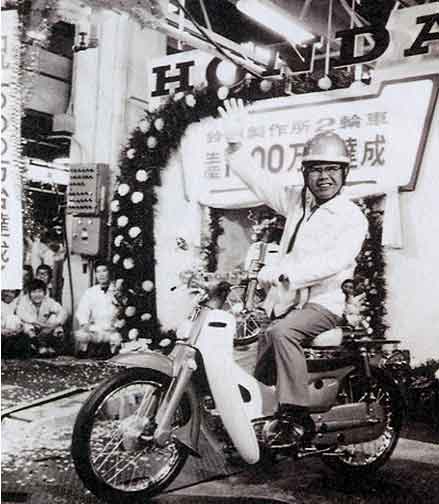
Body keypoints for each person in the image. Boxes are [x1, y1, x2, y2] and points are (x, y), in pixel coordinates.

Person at [219, 99, 369, 446]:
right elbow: (260, 182)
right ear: (306, 173)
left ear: (344, 174)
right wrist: (235, 145)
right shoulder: (298, 202)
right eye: (316, 169)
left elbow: (335, 261)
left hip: (323, 305)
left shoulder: (350, 216)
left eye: (333, 169)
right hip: (287, 301)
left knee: (283, 333)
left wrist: (289, 275)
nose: (324, 176)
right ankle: (258, 412)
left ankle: (295, 415)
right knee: (260, 339)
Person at [74, 260, 121, 359]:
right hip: (95, 328)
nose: (101, 275)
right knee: (88, 338)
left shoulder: (117, 291)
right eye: (98, 272)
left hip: (113, 328)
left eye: (104, 271)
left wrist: (116, 324)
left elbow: (122, 311)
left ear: (110, 273)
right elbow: (82, 311)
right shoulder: (90, 292)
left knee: (114, 344)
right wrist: (84, 323)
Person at [15, 279, 68, 357]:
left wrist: (54, 325)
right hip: (31, 330)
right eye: (33, 292)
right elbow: (21, 314)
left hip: (46, 330)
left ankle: (51, 347)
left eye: (40, 291)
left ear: (44, 292)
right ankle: (38, 346)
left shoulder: (48, 301)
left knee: (54, 318)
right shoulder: (24, 301)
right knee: (26, 324)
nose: (37, 295)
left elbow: (63, 312)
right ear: (29, 293)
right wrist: (40, 324)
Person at [1, 289, 30, 358]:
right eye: (6, 291)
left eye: (12, 292)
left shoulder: (16, 304)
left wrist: (20, 328)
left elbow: (23, 319)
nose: (8, 294)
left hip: (13, 333)